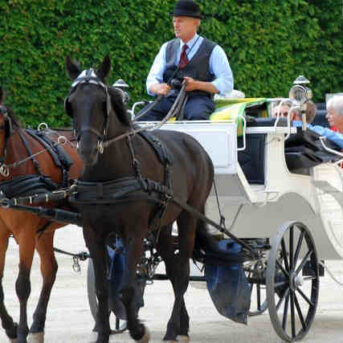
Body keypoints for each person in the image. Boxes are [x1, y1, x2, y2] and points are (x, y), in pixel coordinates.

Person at [138, 0, 233, 121]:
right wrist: (157, 88)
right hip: (169, 99)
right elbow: (151, 80)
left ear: (196, 23)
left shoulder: (213, 50)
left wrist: (197, 85)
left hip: (197, 100)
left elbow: (227, 83)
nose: (176, 25)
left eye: (180, 21)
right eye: (174, 21)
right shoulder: (166, 47)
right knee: (140, 118)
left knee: (197, 116)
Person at [272, 100, 343, 149]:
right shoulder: (264, 130)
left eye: (285, 114)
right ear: (271, 116)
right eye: (277, 114)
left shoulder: (305, 128)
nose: (281, 118)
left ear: (293, 115)